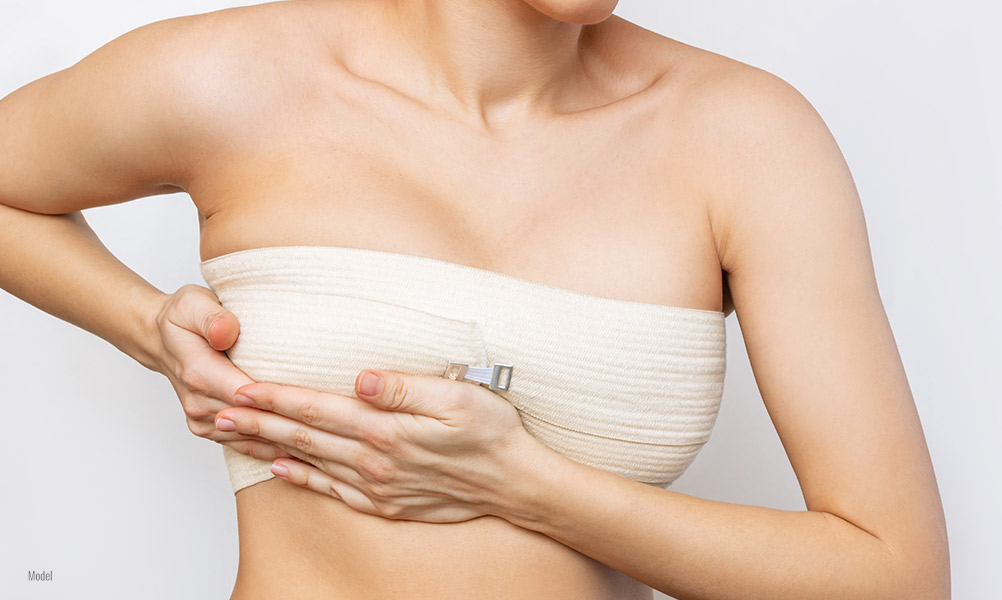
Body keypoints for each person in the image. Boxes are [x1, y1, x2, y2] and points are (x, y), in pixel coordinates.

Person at [0, 0, 950, 598]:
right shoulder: (238, 76)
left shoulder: (747, 139)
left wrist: (523, 483)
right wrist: (145, 329)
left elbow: (896, 577)